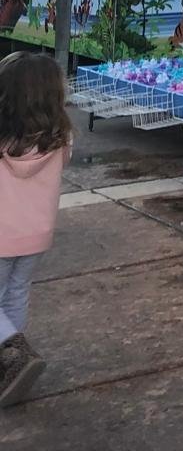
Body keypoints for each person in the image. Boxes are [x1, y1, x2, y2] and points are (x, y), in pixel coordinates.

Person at [0, 52, 70, 407]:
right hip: (37, 236)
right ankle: (10, 364)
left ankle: (15, 354)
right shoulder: (61, 139)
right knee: (15, 293)